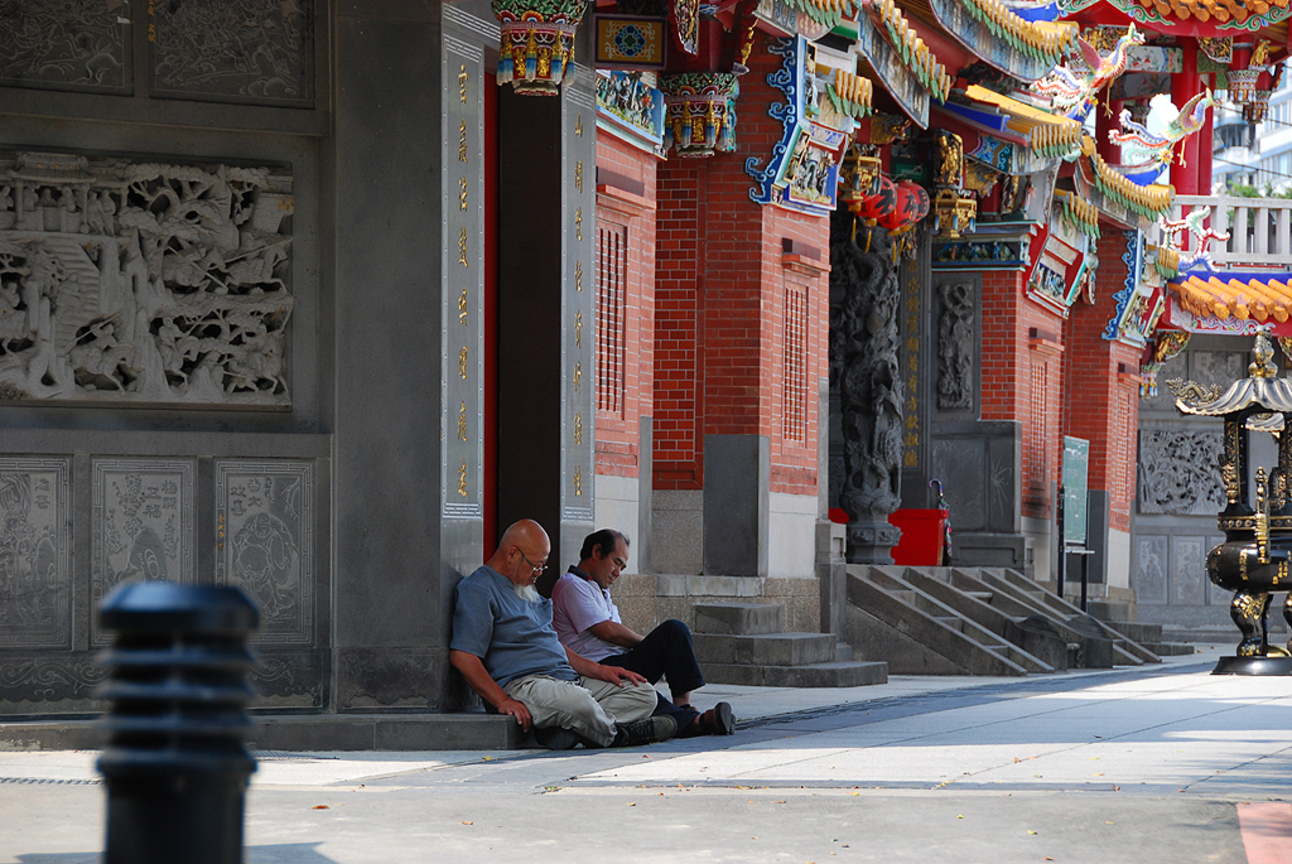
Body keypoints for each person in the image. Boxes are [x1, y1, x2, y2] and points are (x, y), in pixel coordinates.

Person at [450, 519, 675, 750]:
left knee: (644, 694)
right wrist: (502, 701)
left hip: (566, 679)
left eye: (543, 566)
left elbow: (554, 644)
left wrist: (600, 670)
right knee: (579, 703)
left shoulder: (526, 586)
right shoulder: (478, 589)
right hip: (526, 684)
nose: (539, 573)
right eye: (536, 566)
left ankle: (569, 728)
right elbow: (463, 656)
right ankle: (616, 735)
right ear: (512, 554)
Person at [552, 529, 734, 737]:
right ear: (596, 551)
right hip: (596, 669)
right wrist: (646, 643)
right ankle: (696, 722)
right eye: (616, 562)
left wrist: (655, 647)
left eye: (622, 567)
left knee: (675, 630)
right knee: (644, 694)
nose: (617, 573)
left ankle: (684, 707)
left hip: (620, 661)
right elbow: (608, 631)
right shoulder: (570, 585)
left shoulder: (601, 591)